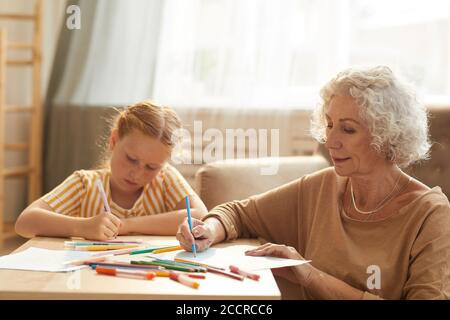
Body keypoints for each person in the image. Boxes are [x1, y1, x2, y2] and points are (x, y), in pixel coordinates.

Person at [176, 66, 450, 299]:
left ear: (388, 136)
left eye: (348, 129)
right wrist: (207, 231)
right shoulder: (321, 187)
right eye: (329, 124)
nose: (330, 141)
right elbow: (238, 213)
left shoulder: (430, 214)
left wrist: (310, 276)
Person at [15, 101, 207, 241]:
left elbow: (199, 216)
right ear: (114, 141)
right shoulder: (84, 184)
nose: (138, 173)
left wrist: (126, 225)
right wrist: (83, 227)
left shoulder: (166, 178)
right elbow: (25, 222)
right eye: (131, 159)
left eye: (151, 167)